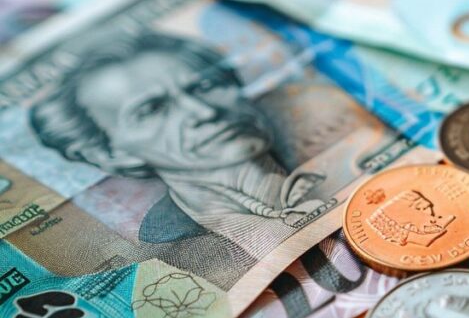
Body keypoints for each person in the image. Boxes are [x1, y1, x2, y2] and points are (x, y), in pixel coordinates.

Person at [30, 32, 327, 257]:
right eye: (153, 109)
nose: (204, 112)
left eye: (205, 86)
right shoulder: (167, 250)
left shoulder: (332, 146)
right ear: (110, 153)